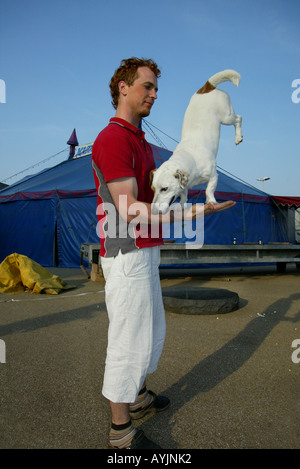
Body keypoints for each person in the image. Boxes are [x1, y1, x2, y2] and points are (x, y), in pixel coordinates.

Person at [92, 57, 235, 449]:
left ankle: (136, 396)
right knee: (127, 339)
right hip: (125, 254)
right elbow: (131, 210)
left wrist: (194, 201)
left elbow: (160, 198)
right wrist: (194, 211)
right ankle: (120, 431)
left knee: (151, 332)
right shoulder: (113, 139)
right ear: (123, 87)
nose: (155, 94)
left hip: (145, 251)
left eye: (156, 88)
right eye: (147, 86)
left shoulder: (139, 140)